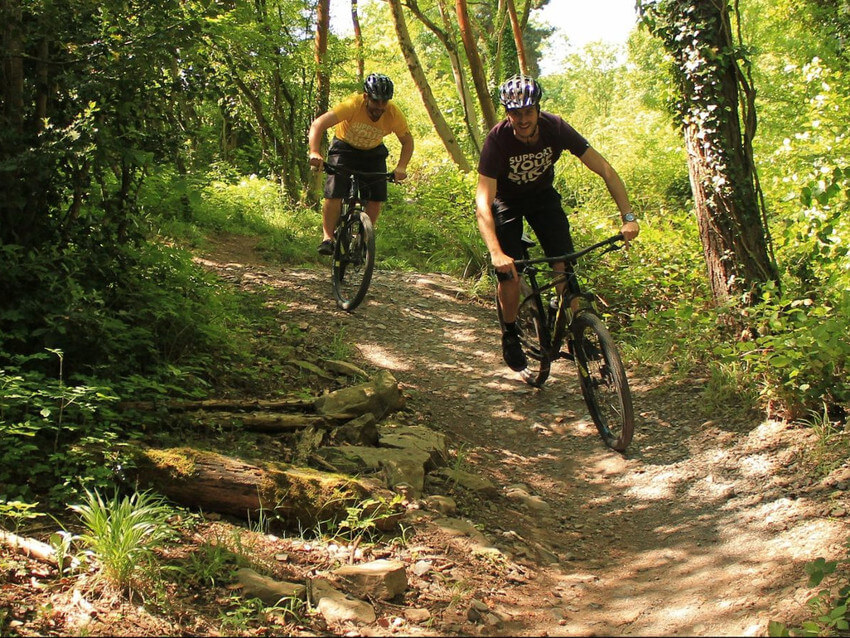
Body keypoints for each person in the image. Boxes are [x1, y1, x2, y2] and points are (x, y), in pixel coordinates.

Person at [475, 74, 640, 372]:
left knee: (564, 263)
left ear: (538, 109)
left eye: (527, 112)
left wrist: (628, 216)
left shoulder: (556, 128)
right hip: (506, 202)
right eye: (515, 113)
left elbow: (604, 168)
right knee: (510, 274)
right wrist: (496, 252)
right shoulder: (497, 141)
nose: (522, 119)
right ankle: (510, 333)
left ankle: (574, 324)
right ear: (507, 113)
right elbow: (482, 202)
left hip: (542, 197)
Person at [308, 73, 415, 255]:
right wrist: (315, 151)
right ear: (366, 97)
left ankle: (362, 239)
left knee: (376, 197)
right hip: (344, 148)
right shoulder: (352, 105)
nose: (380, 107)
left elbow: (407, 141)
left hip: (373, 152)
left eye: (384, 102)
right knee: (334, 192)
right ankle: (328, 238)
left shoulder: (393, 114)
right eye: (376, 101)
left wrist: (401, 166)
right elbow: (318, 124)